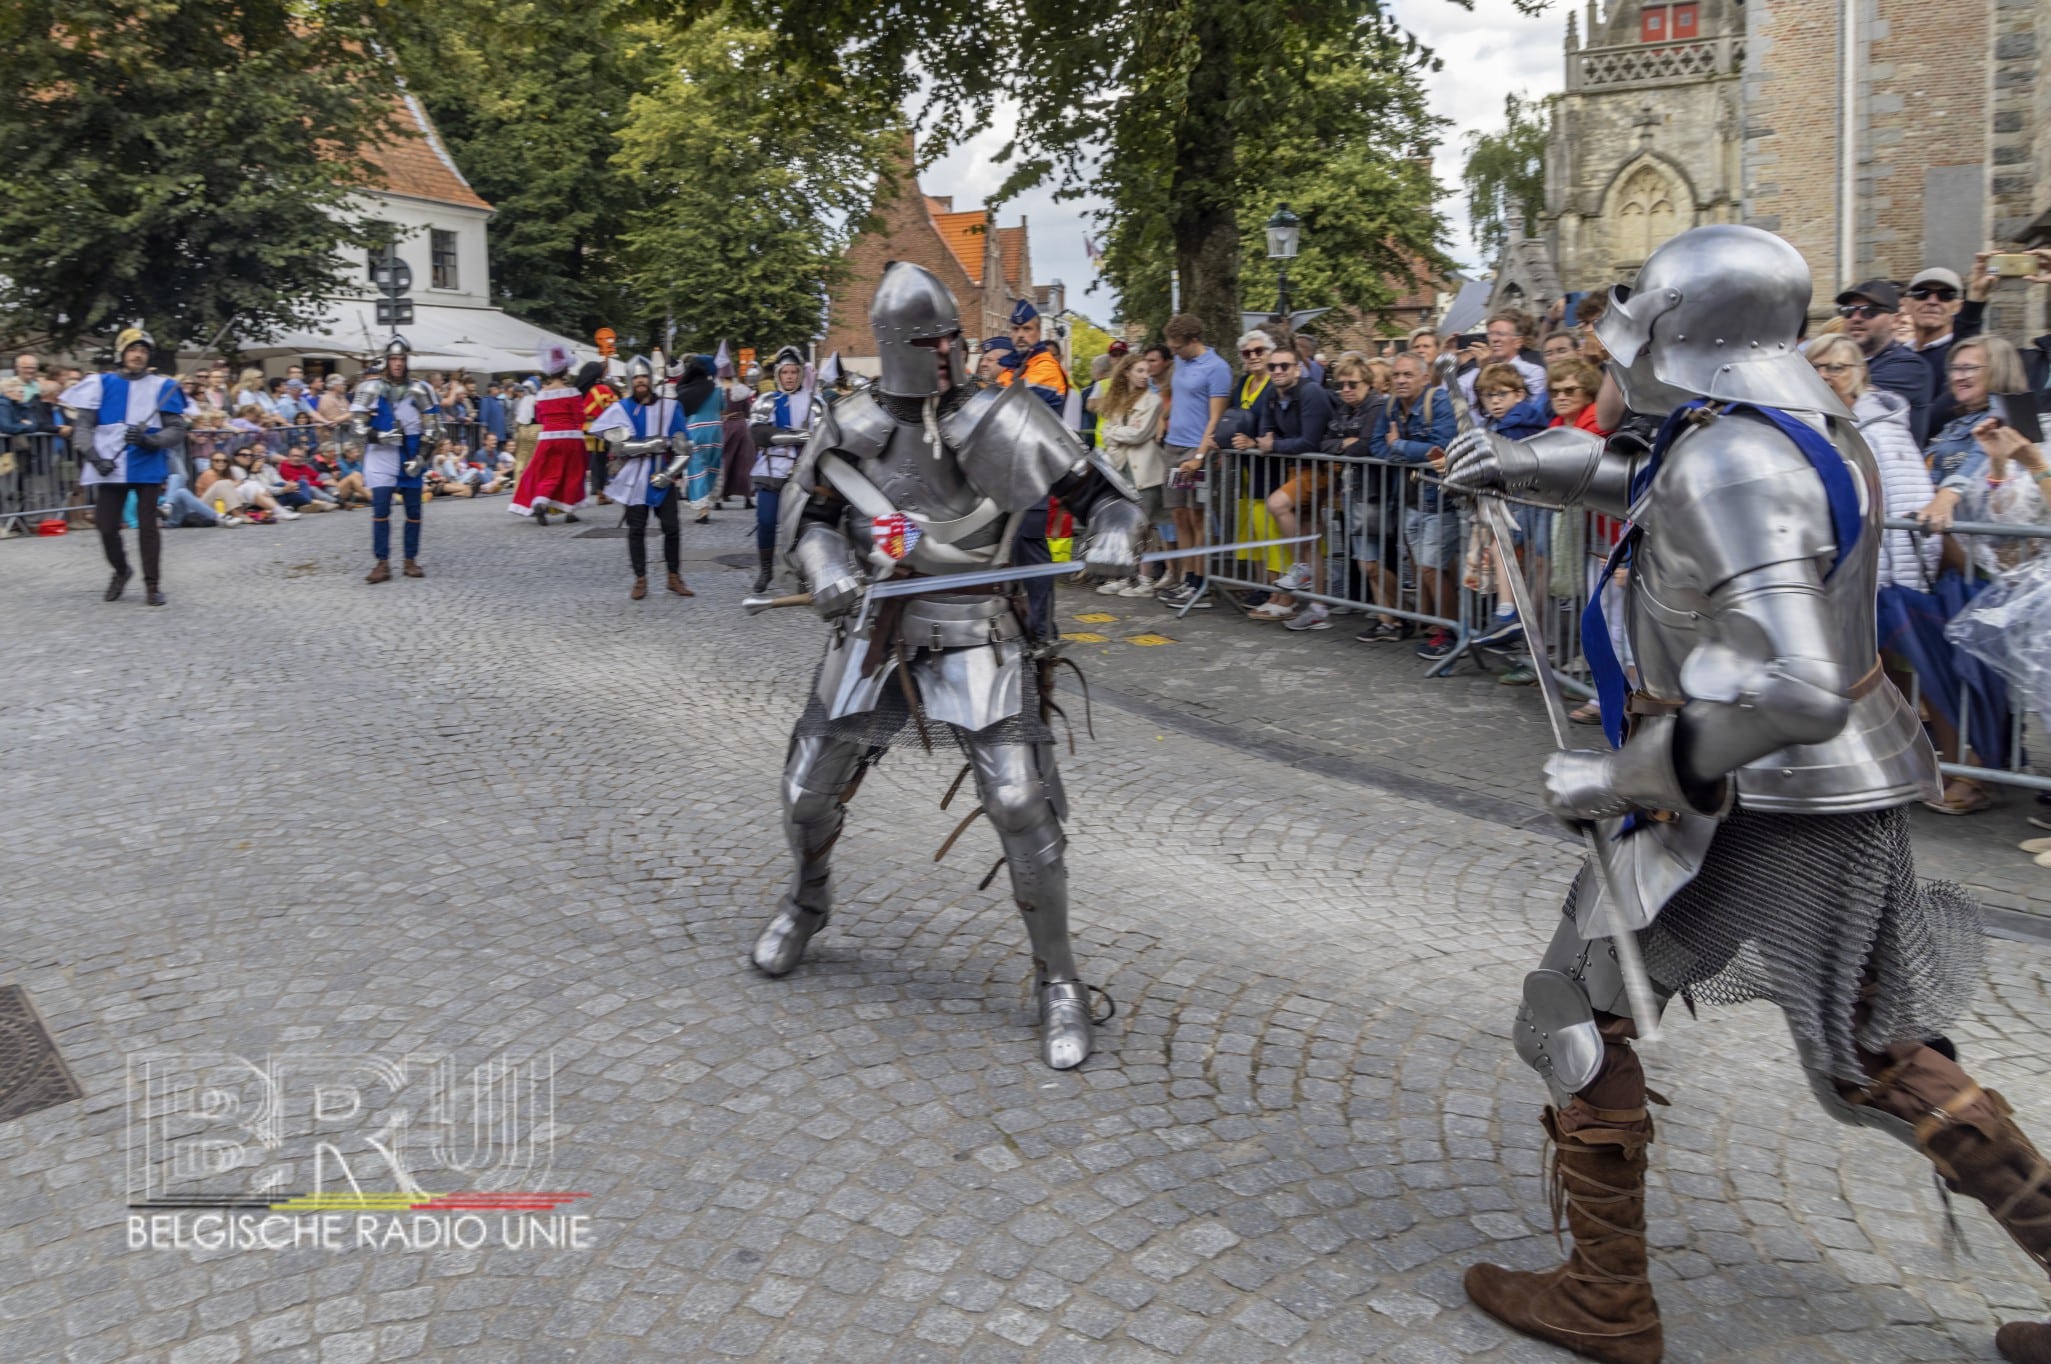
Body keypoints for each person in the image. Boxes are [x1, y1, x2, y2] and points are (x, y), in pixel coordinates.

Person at [1446, 223, 2051, 1364]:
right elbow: (1662, 486)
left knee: (1571, 1009)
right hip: (1815, 792)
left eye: (1642, 323)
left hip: (1740, 794)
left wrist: (1612, 772)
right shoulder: (1793, 428)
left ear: (1688, 331)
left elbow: (1792, 686)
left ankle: (1606, 1299)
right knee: (1877, 1053)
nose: (1622, 348)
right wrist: (1529, 462)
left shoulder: (1734, 455)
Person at [754, 261, 1147, 1071]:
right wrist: (824, 566)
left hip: (978, 635)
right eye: (928, 342)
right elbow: (813, 520)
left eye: (950, 339)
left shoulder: (1004, 415)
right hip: (877, 631)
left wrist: (1112, 534)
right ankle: (806, 900)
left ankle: (1059, 982)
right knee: (804, 791)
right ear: (896, 345)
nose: (944, 354)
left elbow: (1103, 495)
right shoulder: (852, 422)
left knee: (1017, 803)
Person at [60, 326, 187, 605]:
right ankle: (121, 570)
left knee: (147, 527)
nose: (138, 355)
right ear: (122, 353)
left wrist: (150, 440)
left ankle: (152, 585)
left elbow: (177, 428)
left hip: (147, 465)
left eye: (143, 350)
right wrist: (94, 457)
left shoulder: (162, 387)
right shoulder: (100, 384)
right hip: (109, 465)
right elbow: (82, 426)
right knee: (106, 527)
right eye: (132, 349)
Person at [1239, 345, 1334, 628]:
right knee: (1309, 535)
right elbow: (1264, 435)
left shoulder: (1311, 393)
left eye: (1284, 366)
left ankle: (1301, 569)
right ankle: (1318, 608)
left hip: (1323, 469)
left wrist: (1273, 445)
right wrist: (1263, 443)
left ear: (1297, 368)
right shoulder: (1271, 394)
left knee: (1277, 503)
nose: (1278, 371)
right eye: (1273, 367)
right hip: (1297, 468)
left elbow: (1310, 441)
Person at [1370, 352, 1457, 658]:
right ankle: (1435, 627)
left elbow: (1442, 449)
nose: (1401, 380)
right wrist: (1401, 451)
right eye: (1396, 375)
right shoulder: (1391, 406)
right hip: (1407, 499)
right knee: (1421, 568)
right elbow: (1377, 445)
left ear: (1424, 377)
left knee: (1432, 568)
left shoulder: (1439, 402)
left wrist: (1400, 446)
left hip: (1438, 501)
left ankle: (1450, 632)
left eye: (1408, 375)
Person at [591, 355, 694, 601]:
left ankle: (673, 576)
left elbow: (684, 448)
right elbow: (617, 446)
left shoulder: (669, 408)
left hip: (662, 475)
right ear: (630, 380)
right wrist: (651, 443)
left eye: (644, 377)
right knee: (636, 529)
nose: (640, 381)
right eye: (636, 377)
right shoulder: (621, 409)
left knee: (671, 527)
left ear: (650, 379)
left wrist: (669, 475)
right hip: (634, 478)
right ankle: (640, 578)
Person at [1156, 314, 1233, 610]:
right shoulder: (1181, 363)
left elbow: (1215, 417)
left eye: (1177, 347)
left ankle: (1201, 581)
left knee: (1197, 514)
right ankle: (1187, 577)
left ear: (1193, 341)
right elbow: (1178, 398)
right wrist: (1164, 420)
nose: (1173, 352)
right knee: (1179, 514)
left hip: (1195, 450)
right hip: (1173, 446)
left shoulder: (1217, 368)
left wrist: (1200, 456)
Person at [349, 337, 440, 582]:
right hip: (380, 454)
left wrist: (421, 458)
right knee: (380, 509)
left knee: (413, 511)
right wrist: (381, 436)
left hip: (410, 449)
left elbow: (434, 429)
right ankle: (382, 562)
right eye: (393, 359)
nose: (398, 364)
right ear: (386, 361)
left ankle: (410, 560)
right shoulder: (369, 388)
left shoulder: (420, 389)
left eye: (401, 359)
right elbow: (356, 427)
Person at [1094, 352, 1167, 597]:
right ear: (1126, 372)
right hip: (1120, 469)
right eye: (1139, 371)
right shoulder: (1116, 400)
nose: (1145, 376)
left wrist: (1116, 432)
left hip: (1145, 471)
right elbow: (1106, 433)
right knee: (1123, 526)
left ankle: (1145, 579)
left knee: (1144, 527)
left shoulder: (1152, 401)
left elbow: (1140, 435)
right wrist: (1119, 432)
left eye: (1147, 371)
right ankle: (1122, 577)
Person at [744, 346, 816, 594]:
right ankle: (766, 570)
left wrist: (808, 438)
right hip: (771, 469)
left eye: (794, 372)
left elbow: (823, 436)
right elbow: (758, 434)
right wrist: (795, 436)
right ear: (778, 374)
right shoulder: (767, 401)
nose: (789, 377)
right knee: (765, 521)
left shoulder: (813, 403)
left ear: (799, 374)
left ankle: (801, 573)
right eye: (785, 372)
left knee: (800, 526)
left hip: (804, 471)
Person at [1835, 278, 1935, 443]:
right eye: (1848, 310)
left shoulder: (1910, 367)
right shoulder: (1841, 363)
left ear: (1895, 321)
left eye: (1869, 311)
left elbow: (1844, 396)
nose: (1856, 318)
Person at [509, 346, 591, 526]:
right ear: (566, 370)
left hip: (548, 437)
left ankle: (540, 501)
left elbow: (539, 417)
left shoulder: (542, 394)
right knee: (573, 473)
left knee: (549, 473)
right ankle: (570, 510)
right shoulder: (572, 393)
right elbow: (580, 417)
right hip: (571, 437)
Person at [672, 355, 725, 523]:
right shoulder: (717, 390)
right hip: (716, 432)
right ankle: (708, 502)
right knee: (711, 467)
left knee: (697, 469)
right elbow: (723, 408)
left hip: (694, 431)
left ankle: (702, 509)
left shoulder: (685, 390)